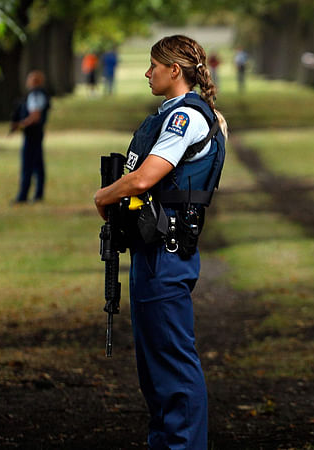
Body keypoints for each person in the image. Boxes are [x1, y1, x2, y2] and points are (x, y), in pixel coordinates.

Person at [93, 35, 227, 449]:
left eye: (154, 65)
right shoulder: (179, 114)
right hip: (155, 251)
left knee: (172, 364)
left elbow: (146, 177)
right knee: (155, 368)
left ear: (175, 70)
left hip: (166, 254)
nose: (147, 73)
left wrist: (103, 195)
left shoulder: (185, 119)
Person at [11, 70, 50, 204]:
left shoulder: (35, 95)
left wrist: (21, 124)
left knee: (27, 165)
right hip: (38, 134)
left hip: (32, 134)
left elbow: (35, 115)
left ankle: (23, 196)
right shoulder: (41, 94)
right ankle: (38, 194)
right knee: (38, 164)